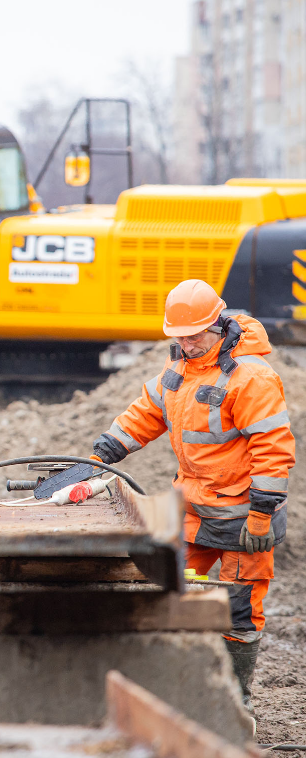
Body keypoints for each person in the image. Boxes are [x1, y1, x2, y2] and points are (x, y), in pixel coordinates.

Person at [91, 279, 293, 710]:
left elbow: (273, 450)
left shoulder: (252, 377)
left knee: (238, 613)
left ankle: (233, 703)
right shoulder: (179, 369)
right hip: (192, 511)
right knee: (169, 592)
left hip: (243, 519)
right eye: (179, 336)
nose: (186, 343)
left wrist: (261, 513)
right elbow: (148, 411)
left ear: (218, 324)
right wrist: (106, 450)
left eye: (194, 335)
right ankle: (172, 689)